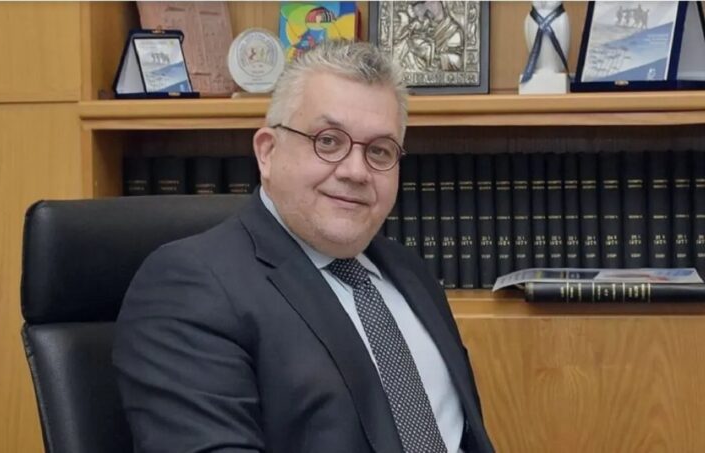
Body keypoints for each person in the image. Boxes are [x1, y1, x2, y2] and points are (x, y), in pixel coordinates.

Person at [113, 40, 494, 453]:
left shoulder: (409, 272)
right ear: (267, 152)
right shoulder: (189, 286)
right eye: (328, 141)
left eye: (379, 151)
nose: (356, 171)